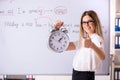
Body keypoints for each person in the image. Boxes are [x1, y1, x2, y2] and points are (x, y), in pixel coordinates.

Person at [53, 10, 105, 80]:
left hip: (86, 75)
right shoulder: (82, 40)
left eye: (89, 21)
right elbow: (65, 47)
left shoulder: (97, 38)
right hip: (76, 73)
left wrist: (92, 45)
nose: (86, 25)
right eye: (84, 22)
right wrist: (57, 31)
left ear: (95, 22)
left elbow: (102, 57)